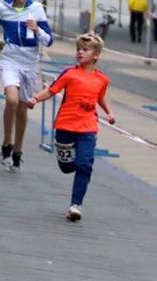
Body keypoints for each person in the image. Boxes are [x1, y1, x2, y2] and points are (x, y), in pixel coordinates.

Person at [26, 32, 114, 222]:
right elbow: (52, 90)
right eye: (78, 49)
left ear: (96, 55)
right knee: (67, 168)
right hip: (65, 126)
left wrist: (108, 112)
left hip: (88, 127)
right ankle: (73, 163)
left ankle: (76, 205)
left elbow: (99, 97)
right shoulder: (70, 73)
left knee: (84, 165)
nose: (80, 53)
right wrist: (35, 99)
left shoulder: (102, 80)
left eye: (85, 49)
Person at [0, 0, 53, 173]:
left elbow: (49, 40)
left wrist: (37, 29)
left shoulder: (36, 9)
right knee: (12, 100)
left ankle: (17, 151)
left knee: (22, 108)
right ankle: (7, 142)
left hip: (30, 63)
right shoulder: (3, 7)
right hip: (10, 60)